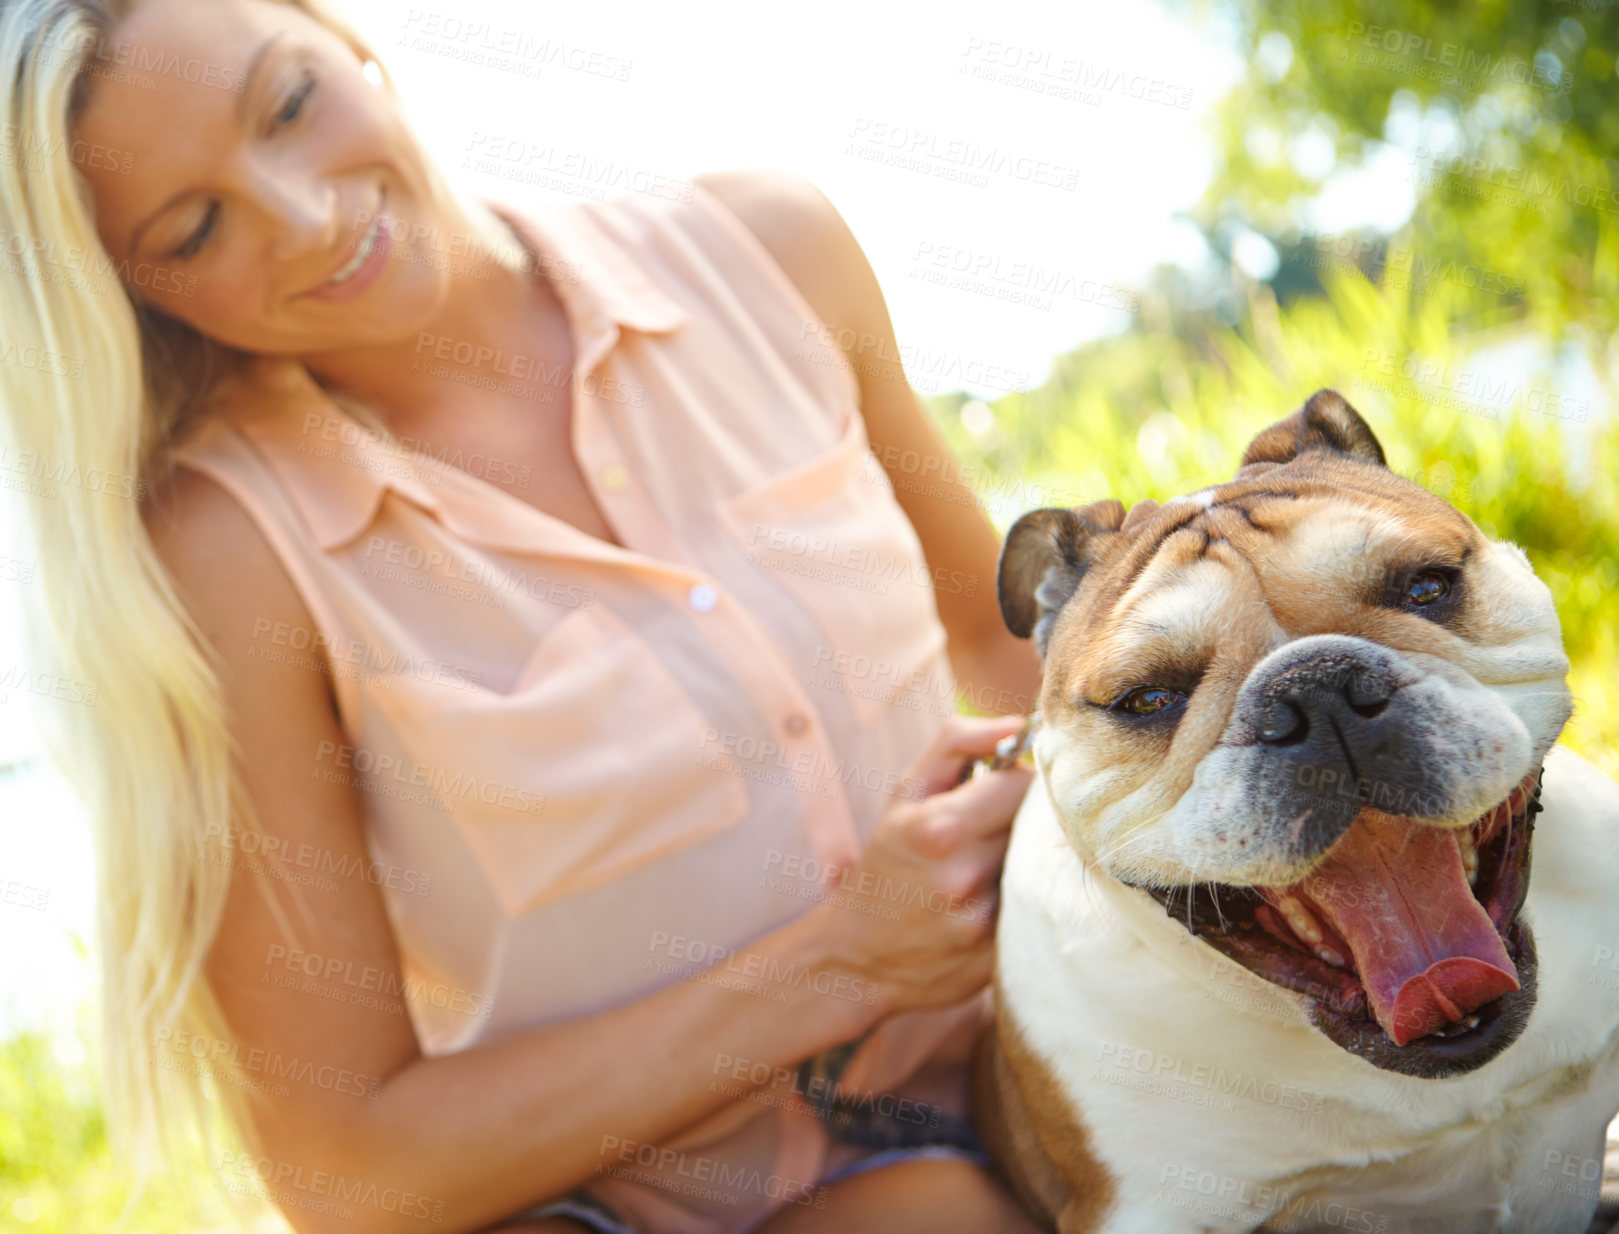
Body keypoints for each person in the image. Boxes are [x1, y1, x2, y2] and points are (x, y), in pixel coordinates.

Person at [0, 0, 1045, 1229]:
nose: (303, 216)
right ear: (140, 299)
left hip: (1017, 1075)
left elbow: (997, 644)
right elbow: (347, 1167)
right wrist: (841, 963)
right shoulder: (227, 557)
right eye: (194, 228)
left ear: (337, 34)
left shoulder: (774, 248)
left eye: (288, 102)